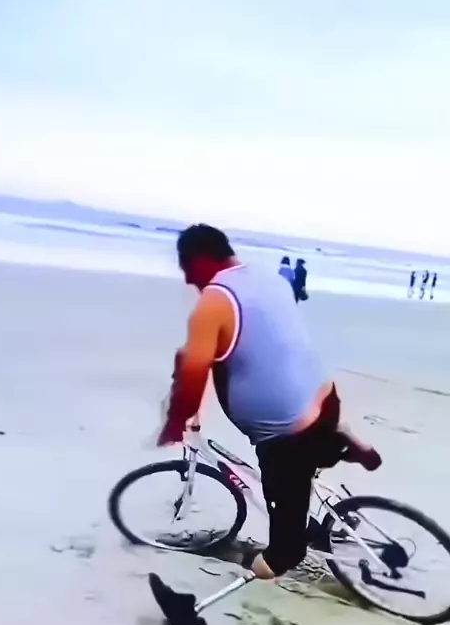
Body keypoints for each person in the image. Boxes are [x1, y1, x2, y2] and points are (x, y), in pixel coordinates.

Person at [157, 224, 382, 582]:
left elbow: (193, 376)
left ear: (198, 260)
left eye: (186, 267)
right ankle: (340, 440)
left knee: (284, 551)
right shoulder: (271, 279)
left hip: (288, 439)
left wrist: (174, 423)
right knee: (310, 457)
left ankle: (212, 597)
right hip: (325, 402)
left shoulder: (214, 303)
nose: (187, 279)